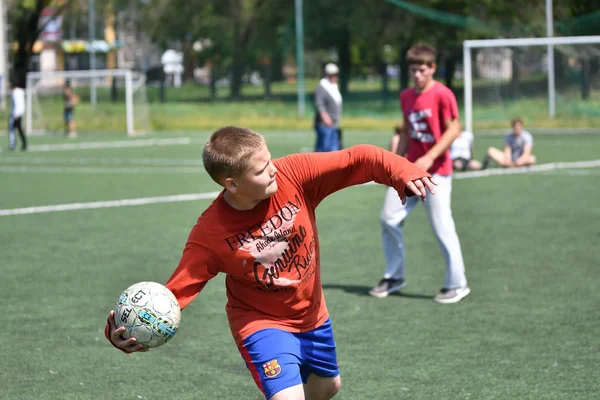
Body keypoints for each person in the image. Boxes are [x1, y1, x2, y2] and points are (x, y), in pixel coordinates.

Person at [104, 126, 434, 400]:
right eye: (260, 170)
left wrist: (401, 171)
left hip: (313, 314)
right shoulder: (210, 232)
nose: (273, 169)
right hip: (260, 323)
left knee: (329, 387)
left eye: (270, 160)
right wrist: (121, 328)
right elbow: (175, 293)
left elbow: (357, 159)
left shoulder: (294, 175)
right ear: (231, 184)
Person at [369, 43, 470, 304]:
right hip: (409, 171)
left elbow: (454, 129)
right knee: (388, 218)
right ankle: (394, 276)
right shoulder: (406, 97)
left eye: (422, 70)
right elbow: (405, 131)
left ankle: (457, 284)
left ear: (432, 68)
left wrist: (430, 156)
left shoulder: (443, 94)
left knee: (441, 227)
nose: (417, 75)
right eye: (413, 70)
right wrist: (396, 165)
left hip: (436, 173)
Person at [313, 63, 342, 152]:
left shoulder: (333, 86)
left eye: (335, 75)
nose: (334, 77)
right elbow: (319, 103)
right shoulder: (322, 87)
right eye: (332, 75)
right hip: (325, 124)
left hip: (333, 124)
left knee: (333, 150)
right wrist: (325, 117)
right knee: (323, 150)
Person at [8, 79, 26, 151]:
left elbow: (17, 103)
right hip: (19, 113)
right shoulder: (21, 91)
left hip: (15, 114)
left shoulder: (15, 92)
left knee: (13, 129)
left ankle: (14, 144)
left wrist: (16, 114)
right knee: (18, 129)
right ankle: (23, 144)